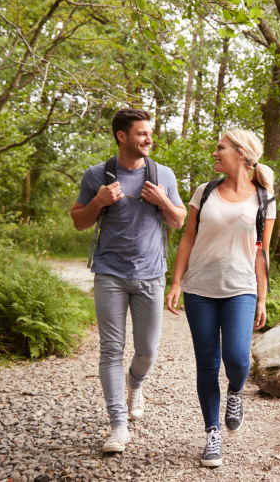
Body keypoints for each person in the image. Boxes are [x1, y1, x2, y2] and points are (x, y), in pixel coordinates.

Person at [70, 109, 186, 453]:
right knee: (110, 350)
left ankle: (136, 384)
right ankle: (118, 425)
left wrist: (162, 199)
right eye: (141, 134)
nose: (149, 139)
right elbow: (79, 221)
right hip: (109, 274)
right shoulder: (97, 175)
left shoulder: (162, 174)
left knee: (147, 350)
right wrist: (99, 201)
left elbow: (178, 221)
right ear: (122, 136)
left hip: (151, 275)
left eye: (149, 133)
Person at [166, 128, 276, 467]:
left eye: (220, 148)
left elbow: (262, 251)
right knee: (208, 362)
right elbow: (187, 239)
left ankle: (235, 393)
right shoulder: (205, 191)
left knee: (238, 358)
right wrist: (176, 282)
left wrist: (261, 298)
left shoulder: (265, 198)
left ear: (241, 154)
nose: (215, 153)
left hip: (241, 288)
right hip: (200, 289)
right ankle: (212, 433)